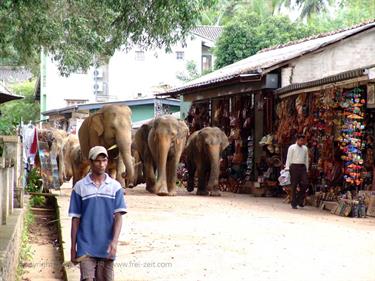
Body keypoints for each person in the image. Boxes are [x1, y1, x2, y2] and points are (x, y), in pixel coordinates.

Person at [69, 146, 127, 281]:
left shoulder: (115, 187)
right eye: (97, 161)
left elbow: (118, 217)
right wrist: (73, 248)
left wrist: (114, 242)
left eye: (104, 160)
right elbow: (75, 219)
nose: (101, 164)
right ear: (90, 162)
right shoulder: (80, 187)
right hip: (85, 246)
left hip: (106, 247)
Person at [285, 134, 309, 209]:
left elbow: (306, 159)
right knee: (294, 185)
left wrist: (307, 169)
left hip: (302, 167)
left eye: (303, 141)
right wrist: (287, 167)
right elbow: (288, 157)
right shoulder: (292, 147)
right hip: (294, 166)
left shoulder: (305, 148)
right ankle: (294, 203)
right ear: (297, 140)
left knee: (305, 183)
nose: (302, 142)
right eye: (301, 140)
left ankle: (299, 199)